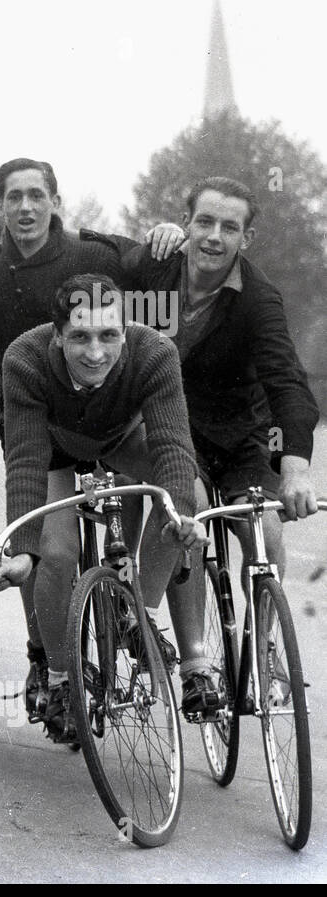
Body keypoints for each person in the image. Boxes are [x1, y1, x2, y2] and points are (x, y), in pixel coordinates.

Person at [0, 158, 183, 715]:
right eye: (13, 197)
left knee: (152, 489)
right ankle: (45, 660)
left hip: (105, 411)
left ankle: (132, 613)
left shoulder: (93, 255)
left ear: (54, 200)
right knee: (49, 549)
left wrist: (164, 241)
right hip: (34, 416)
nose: (25, 207)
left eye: (36, 195)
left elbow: (156, 280)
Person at [121, 176, 320, 709]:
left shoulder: (256, 299)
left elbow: (288, 384)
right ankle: (194, 662)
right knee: (185, 515)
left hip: (241, 440)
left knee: (266, 529)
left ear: (245, 239)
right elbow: (92, 258)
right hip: (173, 430)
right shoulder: (152, 270)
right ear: (186, 224)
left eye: (228, 227)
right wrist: (151, 235)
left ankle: (265, 646)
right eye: (203, 222)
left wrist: (296, 466)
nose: (213, 237)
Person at [0, 274, 207, 742]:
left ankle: (136, 616)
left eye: (109, 336)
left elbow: (172, 447)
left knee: (189, 497)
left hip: (117, 434)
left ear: (126, 333)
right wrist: (22, 550)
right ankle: (62, 680)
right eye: (80, 337)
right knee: (58, 552)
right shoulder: (25, 358)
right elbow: (26, 461)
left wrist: (178, 516)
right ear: (58, 334)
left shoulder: (154, 353)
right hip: (50, 444)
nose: (96, 352)